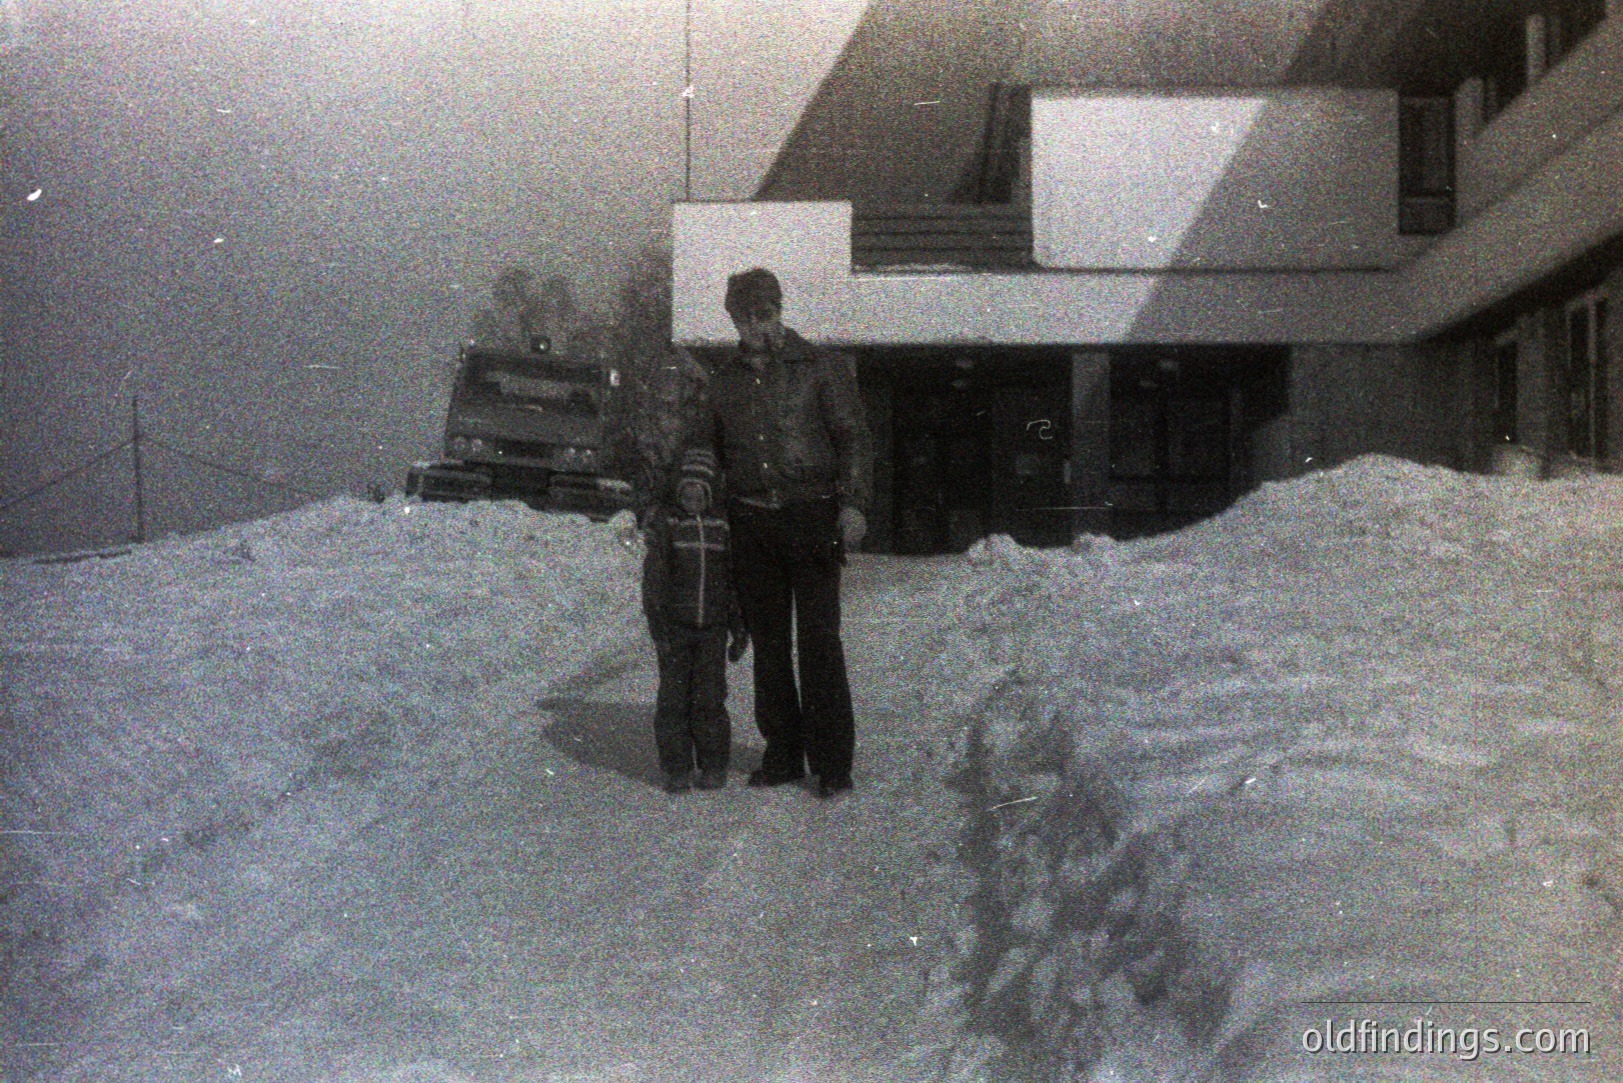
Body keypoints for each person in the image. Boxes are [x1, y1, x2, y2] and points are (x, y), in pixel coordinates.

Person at [689, 267, 873, 799]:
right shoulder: (722, 383)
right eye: (744, 318)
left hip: (812, 518)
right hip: (752, 523)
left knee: (819, 641)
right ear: (732, 320)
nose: (756, 327)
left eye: (764, 314)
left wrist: (854, 505)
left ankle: (833, 763)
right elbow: (707, 453)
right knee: (769, 645)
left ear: (779, 310)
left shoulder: (821, 367)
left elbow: (854, 440)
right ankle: (784, 753)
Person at [641, 448, 751, 794]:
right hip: (675, 628)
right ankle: (676, 769)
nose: (692, 498)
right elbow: (655, 581)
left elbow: (732, 580)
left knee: (709, 698)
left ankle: (714, 764)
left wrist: (738, 628)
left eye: (699, 492)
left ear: (709, 493)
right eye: (686, 491)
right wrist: (658, 628)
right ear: (678, 492)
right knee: (673, 700)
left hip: (713, 631)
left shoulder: (721, 527)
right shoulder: (669, 526)